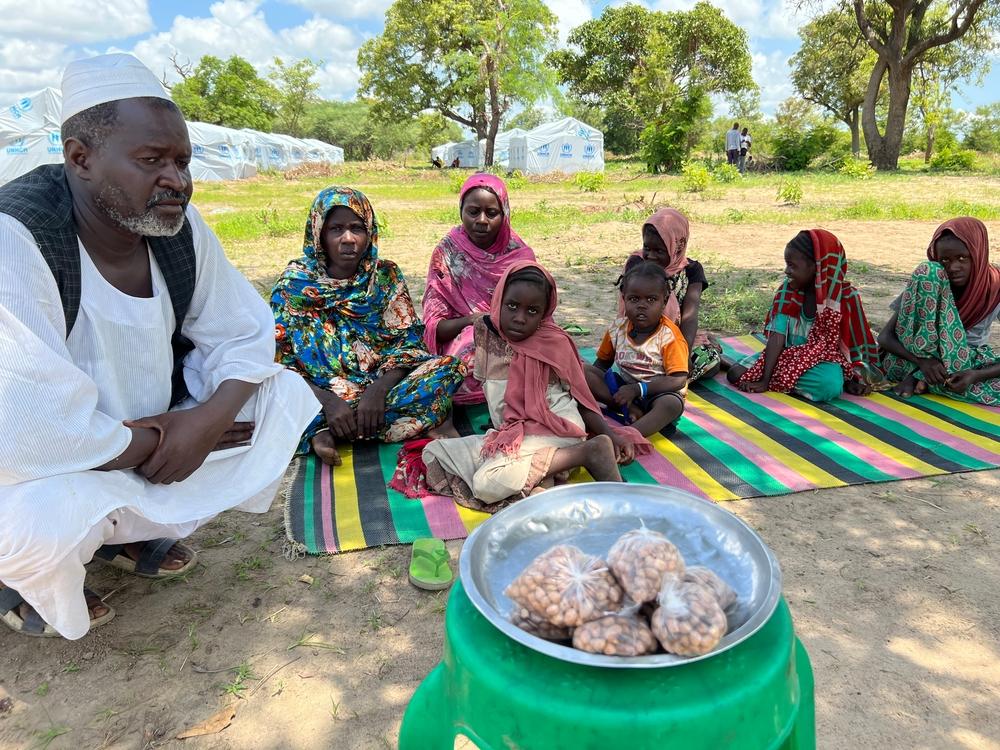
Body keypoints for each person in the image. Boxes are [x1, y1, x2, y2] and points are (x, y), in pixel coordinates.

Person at [0, 54, 319, 640]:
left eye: (183, 161)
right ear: (80, 159)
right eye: (152, 161)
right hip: (38, 458)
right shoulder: (15, 238)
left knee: (280, 399)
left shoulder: (179, 224)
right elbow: (24, 431)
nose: (178, 180)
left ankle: (130, 531)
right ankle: (20, 580)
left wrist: (203, 421)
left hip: (153, 436)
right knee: (37, 517)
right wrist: (152, 440)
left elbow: (245, 335)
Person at [421, 262, 649, 512]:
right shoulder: (485, 330)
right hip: (513, 433)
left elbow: (581, 399)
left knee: (486, 484)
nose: (519, 318)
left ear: (544, 313)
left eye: (532, 310)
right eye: (512, 306)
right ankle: (544, 478)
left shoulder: (555, 342)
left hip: (555, 429)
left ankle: (586, 453)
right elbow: (493, 391)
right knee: (435, 452)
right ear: (499, 300)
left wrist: (611, 435)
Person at [272, 186, 466, 468]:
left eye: (357, 228)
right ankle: (344, 425)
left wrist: (379, 390)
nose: (348, 239)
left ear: (370, 232)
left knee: (449, 369)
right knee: (269, 400)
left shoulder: (385, 277)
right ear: (319, 234)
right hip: (319, 393)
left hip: (380, 386)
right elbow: (279, 364)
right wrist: (328, 402)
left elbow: (408, 343)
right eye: (336, 229)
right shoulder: (294, 285)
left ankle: (327, 432)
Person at [726, 229, 880, 401]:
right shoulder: (788, 291)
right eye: (786, 264)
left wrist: (854, 377)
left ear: (817, 267)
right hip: (785, 356)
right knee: (734, 374)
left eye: (792, 265)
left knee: (828, 386)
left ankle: (794, 380)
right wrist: (764, 379)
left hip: (823, 363)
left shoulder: (844, 298)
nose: (787, 271)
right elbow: (777, 338)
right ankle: (782, 381)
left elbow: (857, 345)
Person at [421, 173, 535, 404]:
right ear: (461, 211)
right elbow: (435, 327)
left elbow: (538, 314)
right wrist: (473, 321)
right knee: (467, 358)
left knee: (550, 358)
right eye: (473, 212)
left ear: (504, 214)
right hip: (466, 337)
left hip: (515, 333)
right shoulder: (447, 253)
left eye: (491, 213)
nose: (481, 220)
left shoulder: (520, 256)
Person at [878, 218, 1000, 404]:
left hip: (965, 364)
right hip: (915, 359)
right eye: (944, 260)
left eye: (962, 258)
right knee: (929, 271)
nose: (953, 268)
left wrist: (975, 375)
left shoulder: (994, 287)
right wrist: (923, 363)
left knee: (965, 375)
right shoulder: (930, 281)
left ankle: (922, 379)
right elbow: (885, 338)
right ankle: (928, 379)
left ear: (978, 253)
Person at [586, 262, 689, 437]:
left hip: (657, 393)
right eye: (634, 299)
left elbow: (678, 380)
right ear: (624, 298)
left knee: (672, 404)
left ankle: (630, 435)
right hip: (624, 390)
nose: (642, 305)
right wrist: (593, 384)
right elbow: (601, 366)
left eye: (651, 299)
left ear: (664, 301)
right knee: (582, 370)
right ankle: (630, 409)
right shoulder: (617, 329)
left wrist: (638, 389)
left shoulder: (669, 336)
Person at [619, 208, 720, 382]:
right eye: (647, 248)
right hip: (640, 336)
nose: (650, 256)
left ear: (678, 245)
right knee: (654, 364)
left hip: (675, 336)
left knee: (709, 361)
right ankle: (665, 380)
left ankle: (662, 378)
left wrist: (683, 352)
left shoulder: (692, 270)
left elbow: (689, 316)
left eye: (659, 251)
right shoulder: (637, 265)